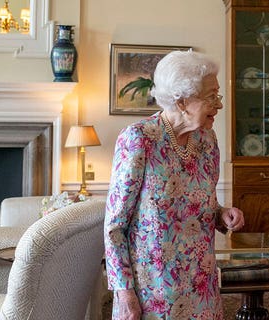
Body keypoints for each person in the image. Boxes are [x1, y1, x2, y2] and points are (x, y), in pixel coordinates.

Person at [104, 50, 245, 320]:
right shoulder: (139, 139)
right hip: (153, 291)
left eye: (218, 95)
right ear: (182, 101)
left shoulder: (207, 140)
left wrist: (221, 213)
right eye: (211, 97)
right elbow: (115, 227)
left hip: (201, 284)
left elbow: (205, 201)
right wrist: (124, 293)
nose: (219, 105)